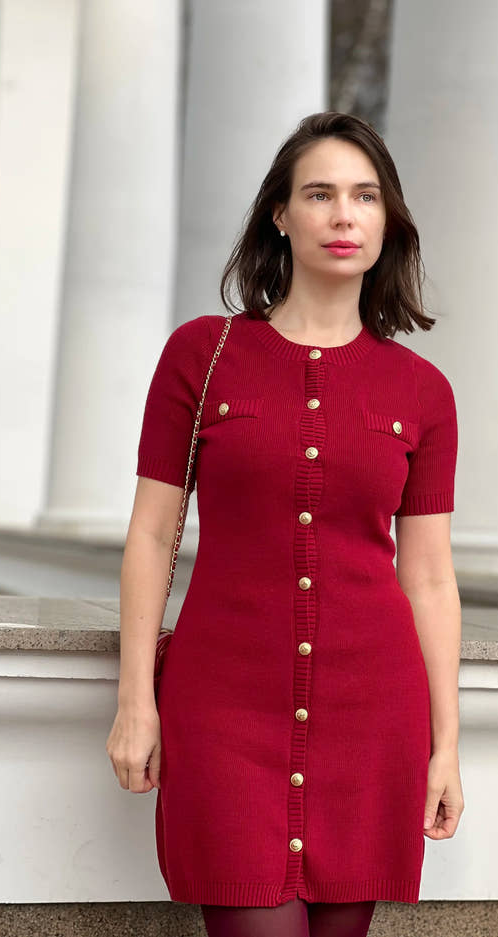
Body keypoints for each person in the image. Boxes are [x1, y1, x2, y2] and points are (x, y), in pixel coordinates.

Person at [106, 110, 464, 937]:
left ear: (388, 220)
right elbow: (152, 535)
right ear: (280, 213)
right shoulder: (202, 355)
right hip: (223, 707)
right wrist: (135, 701)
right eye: (320, 193)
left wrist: (444, 744)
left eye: (365, 196)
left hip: (372, 716)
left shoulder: (422, 392)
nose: (344, 215)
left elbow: (429, 575)